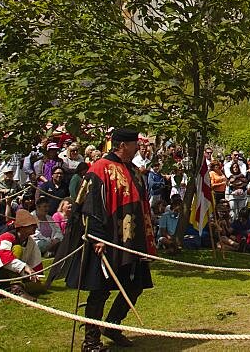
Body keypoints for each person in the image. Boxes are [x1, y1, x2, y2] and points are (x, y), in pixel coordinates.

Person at [62, 127, 156, 351]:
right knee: (100, 290)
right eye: (135, 144)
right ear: (123, 145)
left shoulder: (132, 169)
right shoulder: (100, 168)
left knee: (134, 286)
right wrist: (97, 238)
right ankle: (91, 341)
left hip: (131, 241)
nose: (138, 148)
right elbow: (90, 206)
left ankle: (112, 326)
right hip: (105, 239)